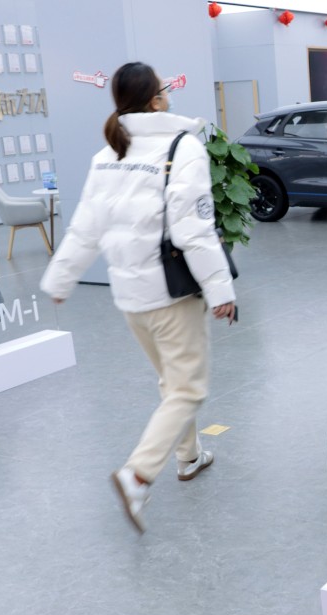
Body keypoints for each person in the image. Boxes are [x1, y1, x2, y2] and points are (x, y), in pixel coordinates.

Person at [40, 62, 235, 533]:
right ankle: (138, 474)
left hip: (130, 298)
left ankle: (188, 457)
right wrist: (220, 289)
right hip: (172, 295)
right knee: (188, 388)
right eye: (164, 89)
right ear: (155, 100)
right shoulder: (182, 146)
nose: (169, 94)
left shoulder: (107, 153)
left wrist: (59, 280)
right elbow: (194, 229)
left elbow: (86, 225)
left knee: (172, 382)